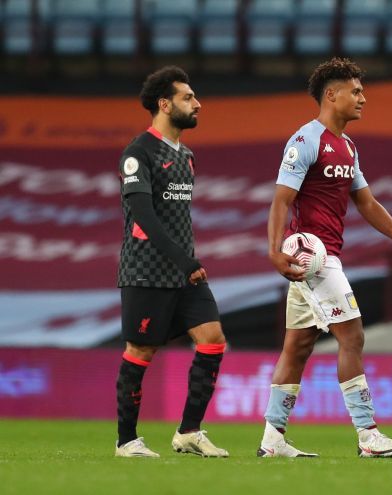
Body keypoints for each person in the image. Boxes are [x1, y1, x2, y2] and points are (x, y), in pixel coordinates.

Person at [258, 58, 392, 458]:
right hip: (314, 257)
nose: (363, 99)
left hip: (320, 259)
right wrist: (273, 250)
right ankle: (368, 435)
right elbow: (281, 200)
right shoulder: (305, 141)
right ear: (331, 95)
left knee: (297, 347)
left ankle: (272, 441)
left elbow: (366, 202)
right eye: (355, 92)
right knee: (352, 336)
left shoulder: (348, 146)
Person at [114, 66, 228, 458]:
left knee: (212, 340)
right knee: (141, 351)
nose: (198, 104)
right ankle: (126, 441)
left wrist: (185, 263)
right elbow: (144, 216)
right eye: (188, 98)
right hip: (146, 271)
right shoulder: (138, 152)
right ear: (165, 104)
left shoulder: (187, 157)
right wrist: (185, 259)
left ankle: (189, 432)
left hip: (184, 273)